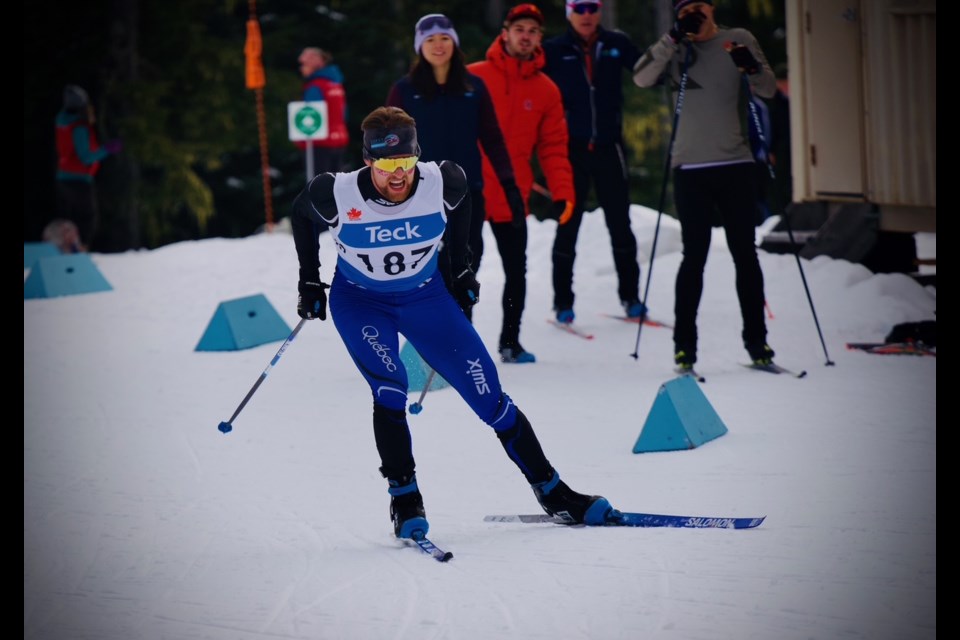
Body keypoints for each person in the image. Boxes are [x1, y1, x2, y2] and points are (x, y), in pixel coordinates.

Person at [290, 106, 615, 539]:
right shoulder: (336, 192)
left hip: (426, 298)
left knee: (490, 398)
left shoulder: (444, 180)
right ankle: (405, 499)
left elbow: (464, 204)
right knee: (390, 388)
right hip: (362, 303)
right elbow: (299, 214)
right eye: (387, 166)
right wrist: (309, 280)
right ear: (368, 161)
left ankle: (553, 491)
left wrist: (459, 267)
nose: (398, 175)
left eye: (405, 163)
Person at [632, 0, 778, 368]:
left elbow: (768, 89)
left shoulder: (736, 38)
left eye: (699, 6)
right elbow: (641, 77)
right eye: (684, 9)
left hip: (735, 164)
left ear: (712, 8)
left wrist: (750, 65)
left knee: (745, 255)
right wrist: (673, 37)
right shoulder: (677, 46)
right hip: (689, 168)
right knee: (693, 257)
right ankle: (685, 348)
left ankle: (758, 345)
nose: (693, 14)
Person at [386, 13, 526, 318]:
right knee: (427, 265)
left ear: (455, 43)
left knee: (465, 261)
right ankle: (428, 334)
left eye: (445, 38)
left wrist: (509, 184)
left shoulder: (474, 87)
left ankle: (461, 329)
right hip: (419, 194)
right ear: (420, 46)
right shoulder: (405, 90)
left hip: (466, 193)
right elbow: (387, 144)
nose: (438, 45)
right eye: (430, 40)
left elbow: (492, 139)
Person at [467, 3, 576, 364]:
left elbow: (554, 147)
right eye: (520, 29)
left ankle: (510, 342)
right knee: (465, 269)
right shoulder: (473, 77)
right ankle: (460, 346)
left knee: (517, 270)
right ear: (505, 33)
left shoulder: (546, 89)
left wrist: (562, 192)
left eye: (533, 31)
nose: (525, 36)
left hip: (514, 194)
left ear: (539, 39)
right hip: (468, 191)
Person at [542, 0, 644, 325]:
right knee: (567, 225)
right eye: (579, 8)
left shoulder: (616, 43)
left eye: (592, 8)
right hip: (569, 150)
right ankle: (562, 302)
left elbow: (648, 72)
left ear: (599, 12)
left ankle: (631, 297)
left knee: (620, 225)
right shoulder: (554, 49)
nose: (586, 15)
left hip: (608, 148)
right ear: (569, 13)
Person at [54, 84, 121, 251]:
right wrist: (106, 150)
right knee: (87, 218)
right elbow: (86, 157)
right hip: (79, 178)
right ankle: (80, 250)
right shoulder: (79, 127)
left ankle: (66, 249)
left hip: (63, 176)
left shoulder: (62, 121)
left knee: (71, 218)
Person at [296, 47, 350, 176]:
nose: (301, 67)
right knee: (334, 183)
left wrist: (301, 141)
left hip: (319, 144)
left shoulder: (315, 86)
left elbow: (311, 116)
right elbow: (344, 114)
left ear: (317, 62)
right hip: (339, 140)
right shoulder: (336, 84)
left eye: (304, 63)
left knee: (318, 185)